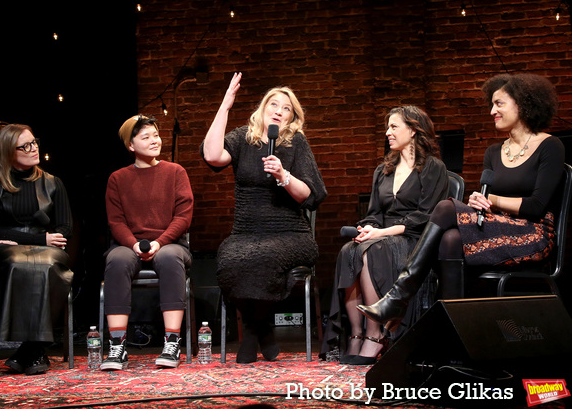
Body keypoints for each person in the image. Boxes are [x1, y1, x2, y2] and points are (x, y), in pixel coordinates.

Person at [358, 74, 565, 331]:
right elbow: (490, 201)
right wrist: (479, 200)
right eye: (491, 105)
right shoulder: (493, 152)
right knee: (450, 239)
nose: (492, 111)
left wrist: (491, 200)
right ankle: (453, 334)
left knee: (446, 207)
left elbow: (536, 206)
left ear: (523, 104)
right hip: (496, 226)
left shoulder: (550, 146)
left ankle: (401, 294)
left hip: (533, 234)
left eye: (499, 104)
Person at [201, 72, 327, 363]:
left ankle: (251, 333)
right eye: (274, 104)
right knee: (230, 258)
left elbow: (311, 195)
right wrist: (225, 105)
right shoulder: (243, 138)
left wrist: (284, 175)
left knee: (262, 257)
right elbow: (211, 155)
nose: (279, 111)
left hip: (290, 233)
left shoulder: (296, 143)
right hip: (246, 231)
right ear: (263, 107)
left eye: (286, 108)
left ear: (292, 117)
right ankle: (264, 331)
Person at [320, 106, 448, 365]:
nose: (387, 132)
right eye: (387, 127)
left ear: (412, 131)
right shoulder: (384, 170)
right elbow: (374, 213)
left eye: (394, 126)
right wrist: (367, 228)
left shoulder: (434, 168)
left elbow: (425, 215)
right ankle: (356, 334)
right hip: (383, 236)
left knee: (371, 250)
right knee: (349, 250)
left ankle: (375, 335)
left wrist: (381, 233)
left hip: (415, 240)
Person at [0, 124, 73, 375]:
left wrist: (47, 239)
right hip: (9, 249)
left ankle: (31, 348)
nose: (34, 149)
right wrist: (41, 239)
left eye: (34, 142)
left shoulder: (53, 183)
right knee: (19, 261)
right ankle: (32, 350)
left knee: (49, 265)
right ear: (9, 152)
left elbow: (65, 228)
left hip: (48, 248)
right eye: (25, 146)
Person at [101, 115, 193, 370]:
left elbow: (183, 216)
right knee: (117, 260)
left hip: (171, 243)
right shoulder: (118, 179)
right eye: (146, 137)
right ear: (131, 146)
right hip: (130, 244)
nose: (154, 141)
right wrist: (133, 245)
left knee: (168, 257)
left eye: (155, 135)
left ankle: (172, 341)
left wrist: (160, 242)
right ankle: (118, 345)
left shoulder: (175, 172)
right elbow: (116, 221)